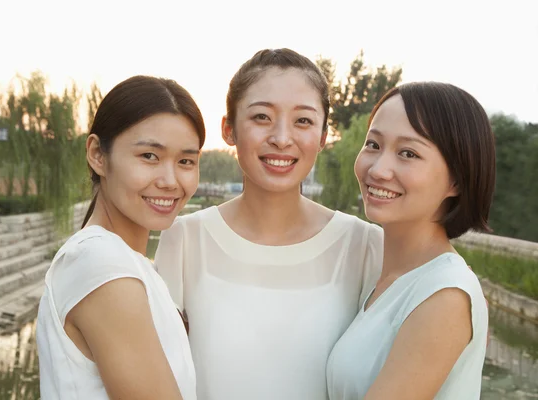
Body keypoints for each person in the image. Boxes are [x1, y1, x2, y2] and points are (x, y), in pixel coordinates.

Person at [154, 48, 383, 400]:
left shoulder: (367, 245)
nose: (281, 137)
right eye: (261, 117)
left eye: (303, 121)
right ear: (228, 129)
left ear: (323, 136)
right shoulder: (184, 239)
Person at [36, 75, 206, 400]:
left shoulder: (128, 263)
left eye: (186, 161)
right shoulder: (102, 263)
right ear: (98, 154)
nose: (170, 181)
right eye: (149, 157)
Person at [326, 82, 494, 399]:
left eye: (408, 153)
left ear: (456, 180)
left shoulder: (444, 294)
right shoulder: (385, 276)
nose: (378, 169)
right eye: (373, 145)